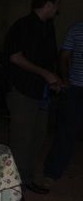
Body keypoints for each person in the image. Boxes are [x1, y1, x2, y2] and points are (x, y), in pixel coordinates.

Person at [4, 0, 62, 196]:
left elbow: (49, 59)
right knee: (21, 140)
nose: (58, 9)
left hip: (40, 93)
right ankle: (13, 189)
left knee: (37, 137)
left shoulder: (48, 27)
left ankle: (26, 179)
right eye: (56, 4)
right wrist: (45, 74)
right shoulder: (23, 25)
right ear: (48, 4)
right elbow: (15, 57)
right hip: (23, 91)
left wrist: (53, 79)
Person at [38, 20, 83, 191]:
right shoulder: (77, 29)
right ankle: (51, 173)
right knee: (66, 132)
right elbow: (64, 56)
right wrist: (65, 79)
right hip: (76, 88)